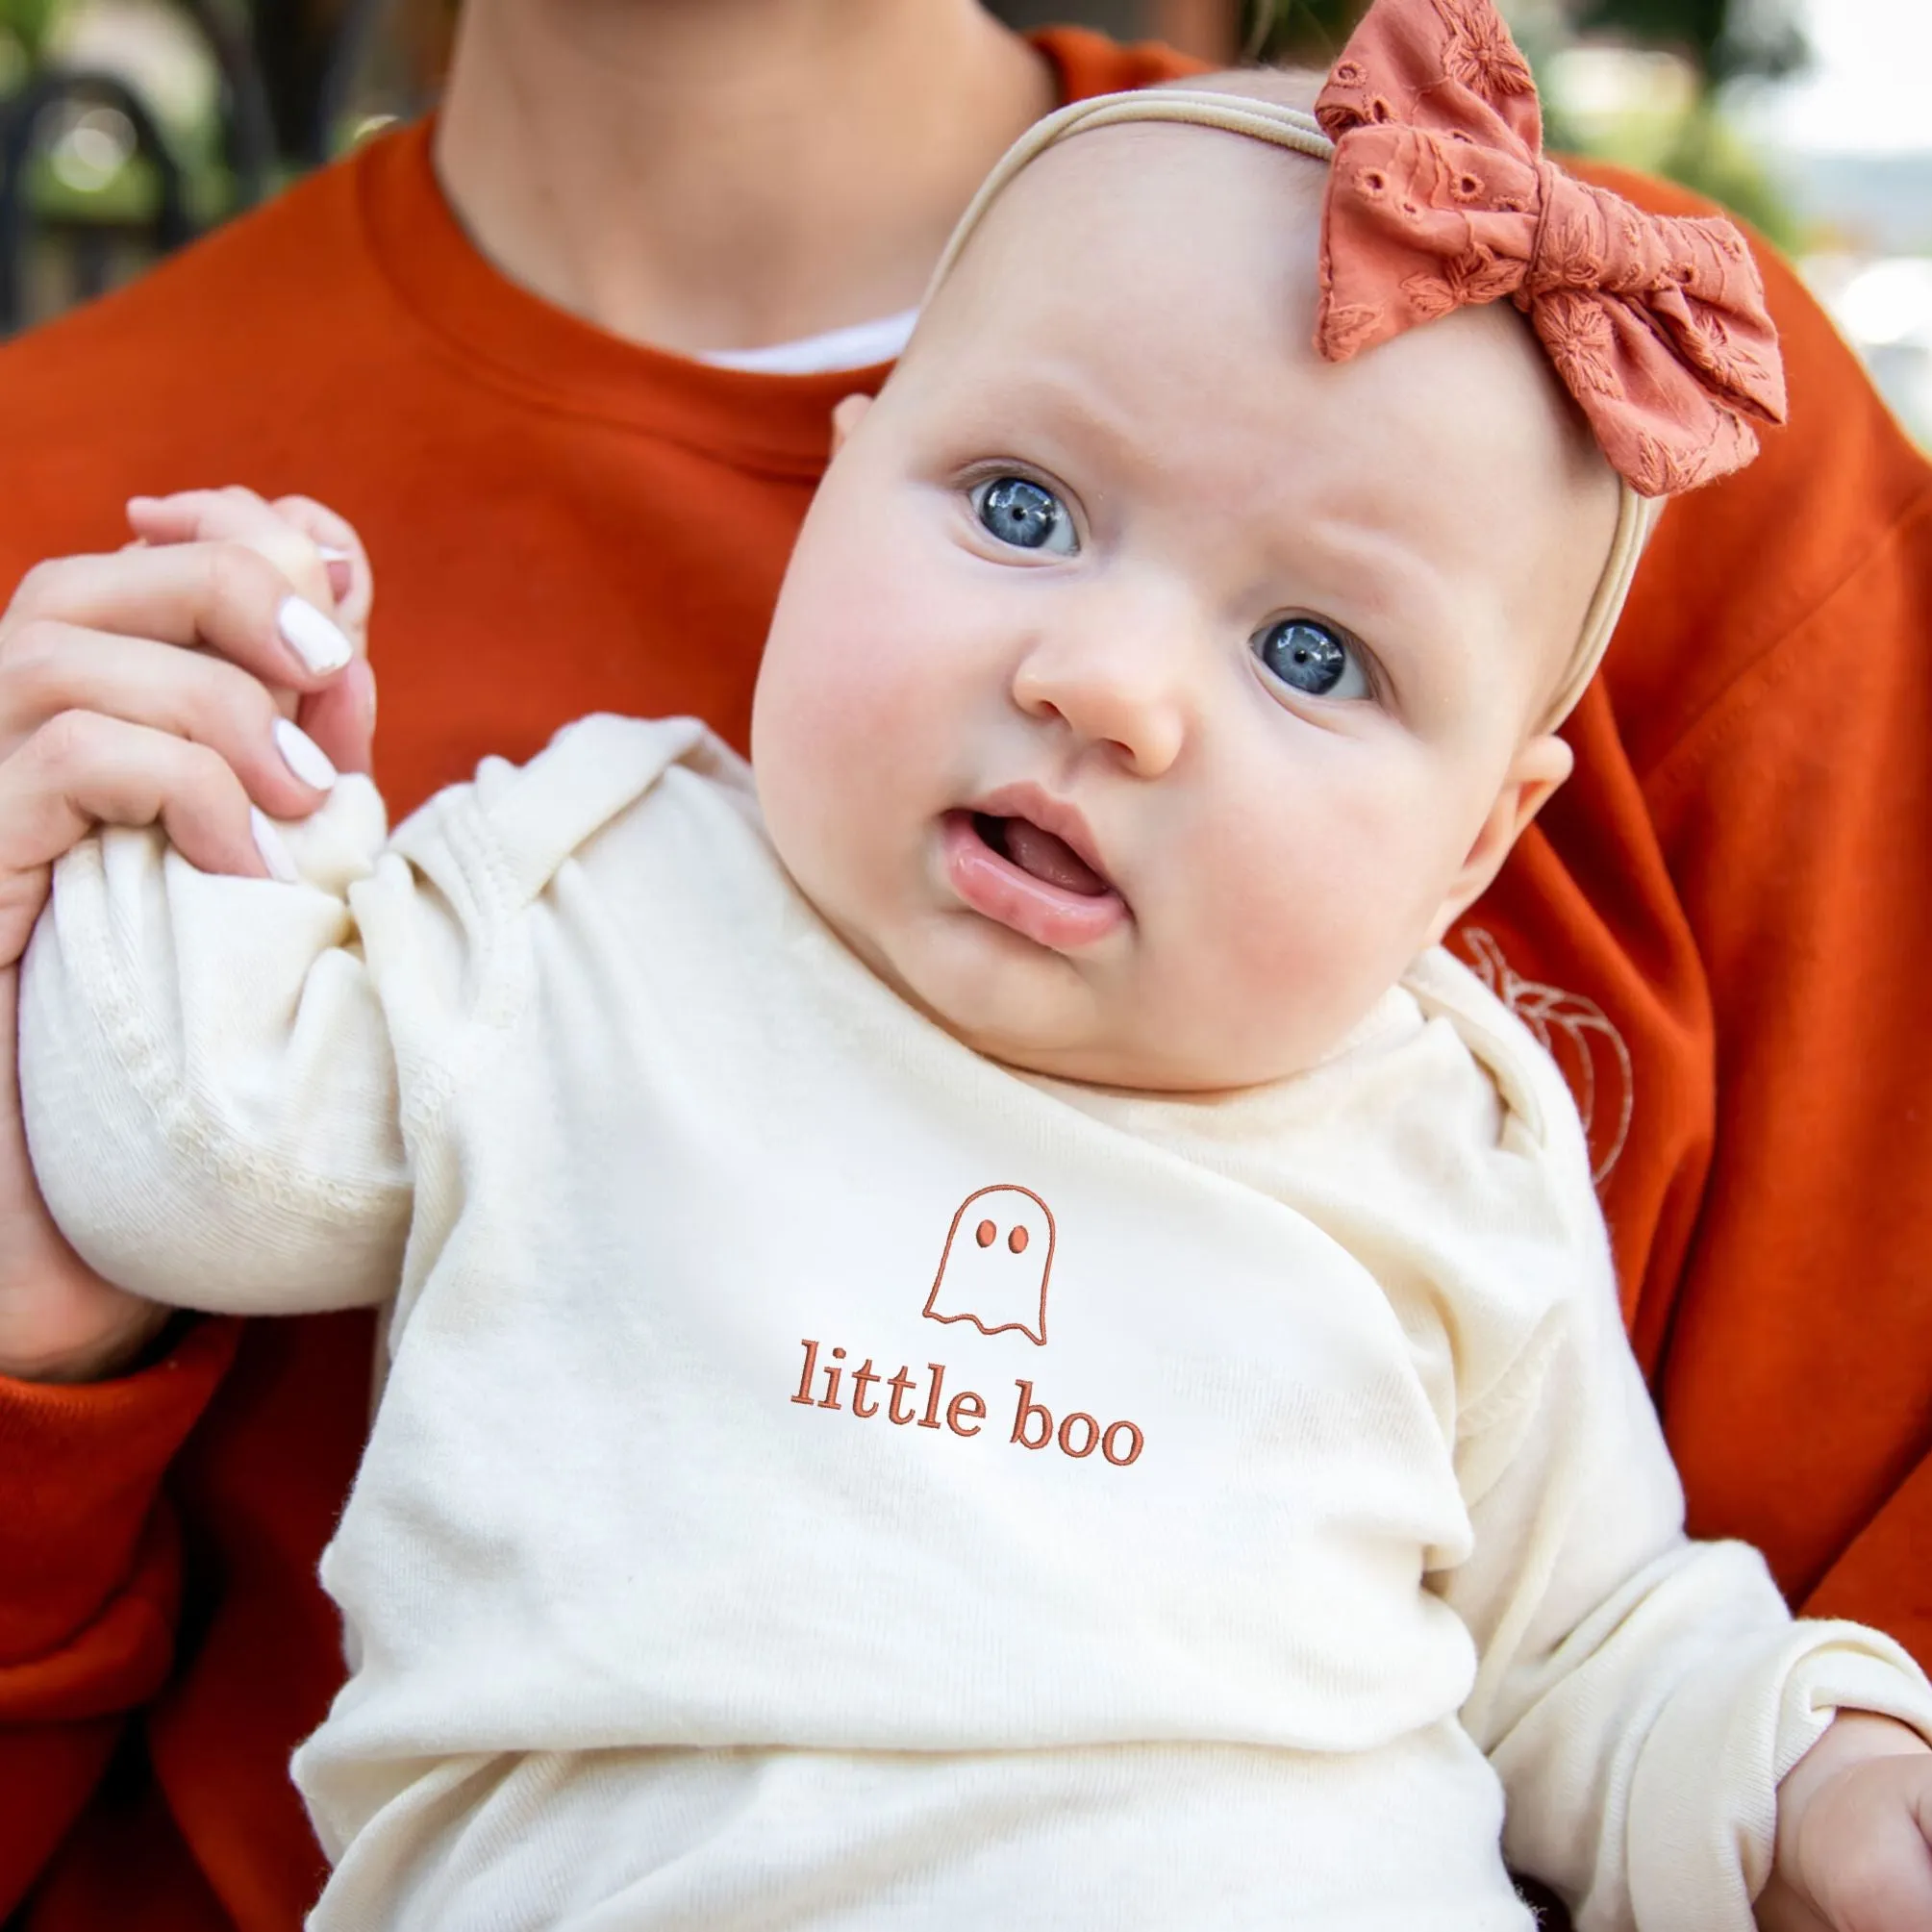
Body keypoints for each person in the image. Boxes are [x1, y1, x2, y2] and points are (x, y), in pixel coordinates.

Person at [0, 1, 1926, 1927]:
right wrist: (221, 821)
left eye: (1313, 656)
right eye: (1017, 511)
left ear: (1479, 842)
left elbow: (1594, 1642)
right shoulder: (580, 892)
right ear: (835, 485)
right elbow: (203, 1140)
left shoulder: (1436, 1119)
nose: (1104, 684)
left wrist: (1816, 1768)